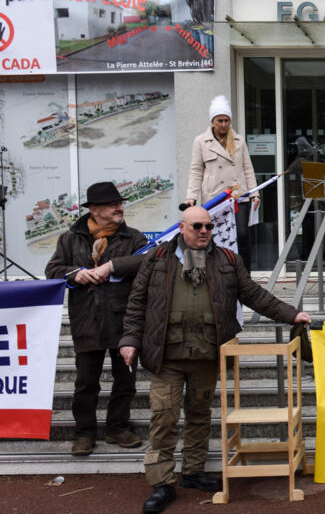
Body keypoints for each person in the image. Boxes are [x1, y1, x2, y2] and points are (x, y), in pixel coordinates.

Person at [119, 206, 311, 513]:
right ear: (182, 227)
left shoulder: (227, 260)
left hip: (208, 354)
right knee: (163, 418)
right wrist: (129, 340)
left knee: (199, 415)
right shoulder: (156, 260)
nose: (204, 231)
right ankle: (162, 483)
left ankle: (193, 471)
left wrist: (292, 314)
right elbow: (137, 302)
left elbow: (254, 295)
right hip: (167, 356)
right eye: (197, 226)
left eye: (208, 226)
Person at [44, 182, 147, 456]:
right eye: (113, 204)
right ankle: (84, 433)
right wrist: (74, 274)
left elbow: (149, 262)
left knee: (125, 379)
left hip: (124, 321)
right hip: (86, 320)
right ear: (95, 209)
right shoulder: (70, 238)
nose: (119, 207)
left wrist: (112, 266)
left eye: (119, 203)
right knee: (85, 382)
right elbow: (52, 270)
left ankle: (118, 429)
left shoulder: (133, 238)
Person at [185, 95, 259, 270]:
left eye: (227, 120)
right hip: (214, 198)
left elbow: (248, 168)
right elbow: (196, 170)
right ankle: (216, 274)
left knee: (241, 235)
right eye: (220, 120)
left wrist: (255, 193)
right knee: (215, 237)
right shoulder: (201, 142)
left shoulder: (239, 141)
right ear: (213, 121)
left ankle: (244, 275)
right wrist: (191, 197)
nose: (224, 124)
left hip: (238, 196)